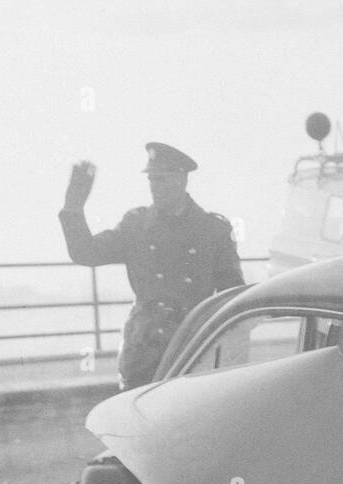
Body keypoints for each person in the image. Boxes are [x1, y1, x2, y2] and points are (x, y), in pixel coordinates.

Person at [59, 143, 244, 388]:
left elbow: (233, 297)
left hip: (190, 349)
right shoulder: (135, 226)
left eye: (164, 179)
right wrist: (74, 207)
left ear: (182, 180)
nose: (156, 187)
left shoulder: (212, 230)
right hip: (142, 352)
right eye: (152, 180)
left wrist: (226, 358)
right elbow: (86, 253)